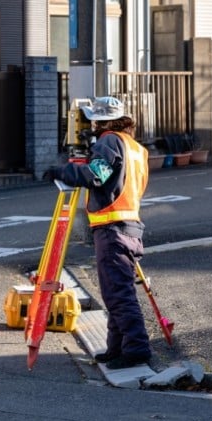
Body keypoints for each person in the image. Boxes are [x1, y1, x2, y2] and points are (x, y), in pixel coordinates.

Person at [49, 96, 152, 370]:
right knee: (116, 290)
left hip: (112, 228)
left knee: (118, 294)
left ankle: (136, 349)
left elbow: (97, 175)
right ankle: (117, 347)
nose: (90, 124)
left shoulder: (108, 141)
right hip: (129, 225)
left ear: (102, 121)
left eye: (94, 119)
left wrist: (63, 171)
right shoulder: (135, 148)